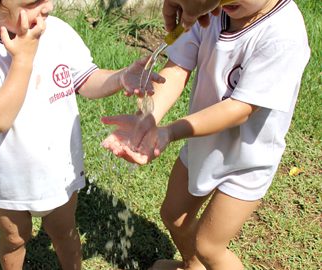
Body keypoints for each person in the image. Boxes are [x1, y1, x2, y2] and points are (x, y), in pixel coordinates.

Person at [0, 0, 163, 269]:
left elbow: (86, 80)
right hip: (8, 177)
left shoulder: (57, 32)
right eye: (33, 2)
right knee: (15, 238)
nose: (48, 6)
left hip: (59, 170)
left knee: (64, 231)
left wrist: (119, 78)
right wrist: (23, 57)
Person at [102, 0, 310, 269]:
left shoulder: (283, 34)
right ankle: (193, 266)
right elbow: (177, 68)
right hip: (202, 142)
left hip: (246, 162)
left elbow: (240, 109)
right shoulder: (208, 9)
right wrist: (150, 120)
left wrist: (170, 132)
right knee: (174, 215)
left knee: (209, 246)